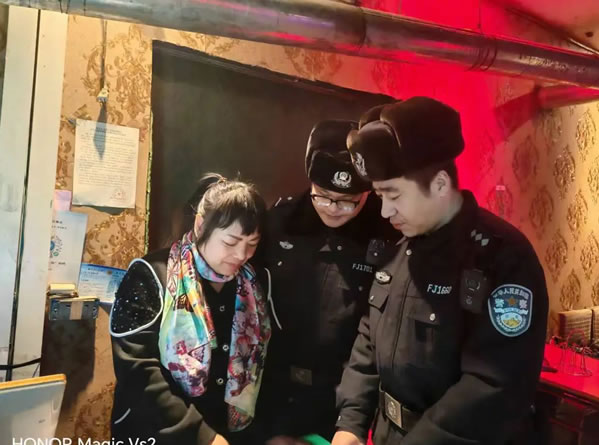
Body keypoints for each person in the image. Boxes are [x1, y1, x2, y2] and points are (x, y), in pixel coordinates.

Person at [332, 97, 549, 445]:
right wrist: (351, 423)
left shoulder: (501, 259)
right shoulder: (398, 250)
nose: (385, 211)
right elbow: (368, 341)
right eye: (379, 196)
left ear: (439, 184)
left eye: (394, 195)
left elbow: (493, 385)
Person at [261, 120, 398, 444]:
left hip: (344, 399)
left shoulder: (388, 232)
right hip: (272, 387)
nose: (334, 209)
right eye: (323, 196)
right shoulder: (281, 221)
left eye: (349, 200)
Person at [109, 174, 272, 445]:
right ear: (200, 225)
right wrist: (202, 436)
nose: (241, 255)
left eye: (251, 244)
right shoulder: (152, 274)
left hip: (228, 432)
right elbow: (137, 369)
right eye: (230, 242)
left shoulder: (252, 283)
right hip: (160, 432)